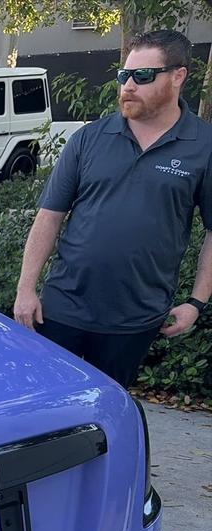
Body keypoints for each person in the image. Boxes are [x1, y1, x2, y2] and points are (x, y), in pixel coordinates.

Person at [14, 29, 212, 386]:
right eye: (124, 75)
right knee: (47, 406)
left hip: (135, 320)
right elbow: (50, 216)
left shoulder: (204, 146)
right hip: (62, 310)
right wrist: (26, 289)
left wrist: (197, 302)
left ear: (178, 77)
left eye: (143, 76)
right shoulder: (90, 138)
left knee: (106, 414)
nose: (129, 86)